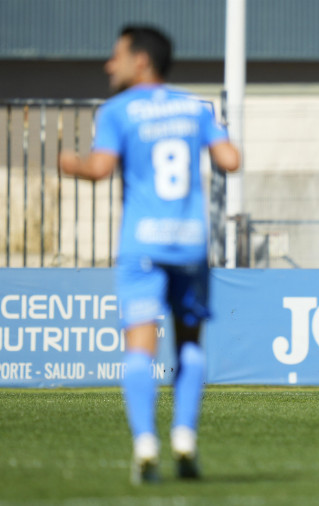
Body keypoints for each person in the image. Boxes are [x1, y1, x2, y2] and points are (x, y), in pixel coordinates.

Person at [59, 25, 241, 484]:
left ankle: (145, 442)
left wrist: (72, 164)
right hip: (189, 244)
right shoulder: (193, 108)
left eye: (115, 55)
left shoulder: (118, 111)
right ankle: (184, 436)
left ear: (141, 60)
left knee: (140, 347)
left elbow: (99, 169)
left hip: (142, 245)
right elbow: (230, 160)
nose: (109, 64)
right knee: (189, 344)